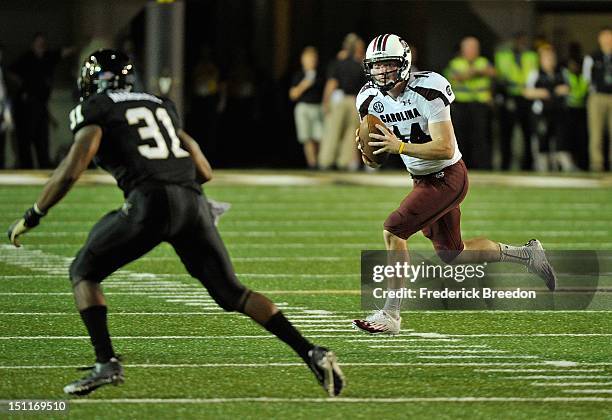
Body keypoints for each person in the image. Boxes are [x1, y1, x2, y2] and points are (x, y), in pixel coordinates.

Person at [6, 49, 344, 397]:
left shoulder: (97, 108)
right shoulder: (157, 103)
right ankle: (311, 352)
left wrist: (33, 214)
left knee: (84, 271)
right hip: (192, 203)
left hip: (151, 201)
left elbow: (71, 169)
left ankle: (106, 363)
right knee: (233, 293)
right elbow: (204, 169)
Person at [351, 34, 556, 335]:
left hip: (448, 177)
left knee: (393, 229)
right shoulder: (368, 98)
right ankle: (527, 255)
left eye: (388, 65)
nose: (381, 72)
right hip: (421, 180)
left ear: (404, 64)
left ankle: (391, 314)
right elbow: (375, 157)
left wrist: (401, 148)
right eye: (376, 66)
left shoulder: (429, 89)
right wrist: (370, 151)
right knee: (453, 254)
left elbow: (445, 148)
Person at [9, 33, 74, 168]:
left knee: (42, 137)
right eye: (38, 43)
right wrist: (22, 85)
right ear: (33, 44)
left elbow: (62, 53)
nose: (41, 46)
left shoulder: (47, 57)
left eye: (43, 43)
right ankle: (26, 165)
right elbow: (11, 71)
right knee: (26, 137)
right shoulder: (27, 58)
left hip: (41, 103)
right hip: (27, 104)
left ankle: (43, 163)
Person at [523, 46, 576, 171]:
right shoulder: (535, 74)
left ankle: (564, 165)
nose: (550, 61)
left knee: (561, 138)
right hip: (542, 113)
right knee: (542, 139)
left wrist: (560, 91)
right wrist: (543, 92)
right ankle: (543, 166)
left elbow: (568, 88)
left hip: (559, 112)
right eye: (547, 58)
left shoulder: (561, 73)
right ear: (541, 60)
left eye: (552, 58)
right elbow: (527, 92)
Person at [446, 36, 495, 169]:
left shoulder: (483, 61)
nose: (473, 51)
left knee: (481, 136)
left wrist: (474, 72)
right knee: (461, 137)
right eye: (470, 48)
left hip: (481, 104)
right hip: (461, 105)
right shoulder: (455, 63)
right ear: (463, 50)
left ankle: (483, 166)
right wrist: (476, 72)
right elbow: (456, 77)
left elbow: (493, 72)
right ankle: (462, 165)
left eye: (475, 48)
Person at [319, 34, 366, 170]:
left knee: (332, 131)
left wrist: (325, 101)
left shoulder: (339, 63)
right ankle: (343, 162)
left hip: (339, 100)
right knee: (350, 134)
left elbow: (332, 84)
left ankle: (326, 161)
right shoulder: (360, 65)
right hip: (354, 101)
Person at [494, 33, 539, 170]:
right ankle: (505, 165)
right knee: (506, 134)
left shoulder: (531, 56)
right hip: (509, 97)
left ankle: (528, 165)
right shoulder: (502, 56)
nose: (521, 43)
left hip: (527, 97)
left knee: (528, 133)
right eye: (519, 40)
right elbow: (499, 77)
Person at [289, 46, 324, 169]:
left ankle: (320, 163)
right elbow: (293, 94)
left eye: (313, 58)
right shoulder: (298, 75)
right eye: (308, 58)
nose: (311, 61)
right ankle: (312, 164)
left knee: (319, 137)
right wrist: (305, 83)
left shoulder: (320, 75)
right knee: (307, 138)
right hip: (303, 108)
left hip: (318, 108)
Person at [583, 27, 612, 171]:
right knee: (596, 132)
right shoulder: (592, 57)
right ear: (599, 39)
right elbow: (586, 78)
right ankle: (597, 163)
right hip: (597, 97)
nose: (608, 39)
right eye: (605, 36)